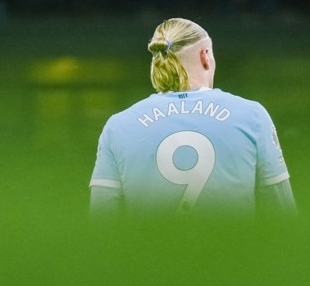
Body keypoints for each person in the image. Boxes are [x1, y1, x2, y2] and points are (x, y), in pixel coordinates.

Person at [89, 18, 296, 217]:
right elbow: (281, 216)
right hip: (233, 252)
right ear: (205, 55)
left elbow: (102, 222)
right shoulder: (252, 116)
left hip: (151, 252)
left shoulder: (118, 126)